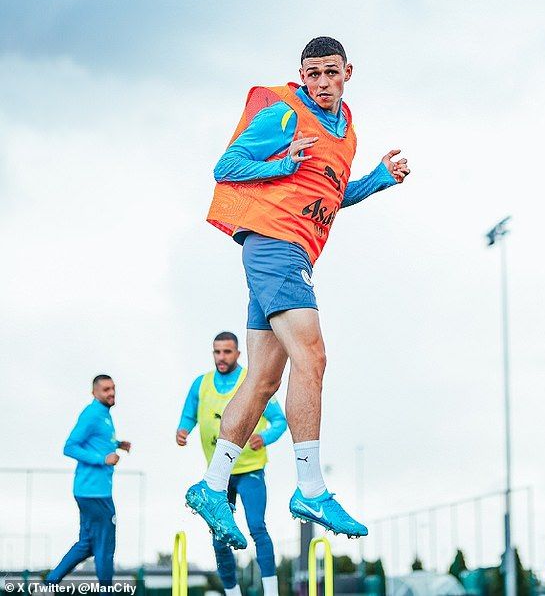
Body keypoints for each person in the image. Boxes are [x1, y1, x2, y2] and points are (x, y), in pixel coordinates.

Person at [185, 36, 410, 549]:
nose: (322, 83)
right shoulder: (286, 114)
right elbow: (227, 166)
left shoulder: (345, 133)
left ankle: (212, 485)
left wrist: (379, 178)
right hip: (274, 244)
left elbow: (330, 195)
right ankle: (310, 487)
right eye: (313, 74)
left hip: (294, 252)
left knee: (263, 378)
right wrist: (281, 164)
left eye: (331, 73)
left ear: (348, 72)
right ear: (302, 75)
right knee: (313, 356)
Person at [177, 332, 287, 596]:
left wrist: (265, 436)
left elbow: (280, 421)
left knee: (257, 527)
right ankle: (232, 592)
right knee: (219, 534)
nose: (221, 357)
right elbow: (188, 415)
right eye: (217, 352)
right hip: (219, 476)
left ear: (238, 353)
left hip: (250, 469)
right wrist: (183, 430)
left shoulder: (252, 381)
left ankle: (270, 591)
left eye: (227, 352)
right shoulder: (201, 385)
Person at [46, 375, 131, 586]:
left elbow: (97, 441)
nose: (111, 393)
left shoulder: (104, 414)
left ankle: (49, 584)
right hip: (95, 493)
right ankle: (105, 591)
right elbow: (70, 446)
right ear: (94, 393)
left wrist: (118, 444)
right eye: (105, 390)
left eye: (113, 388)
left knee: (87, 545)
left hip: (90, 491)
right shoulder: (92, 413)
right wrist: (103, 459)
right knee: (105, 547)